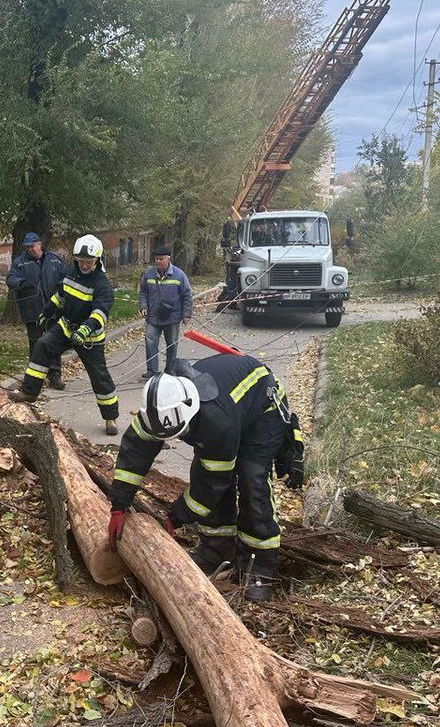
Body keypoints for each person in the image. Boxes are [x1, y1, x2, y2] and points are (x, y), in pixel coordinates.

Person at [105, 354, 305, 603]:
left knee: (251, 480)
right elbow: (133, 456)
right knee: (208, 469)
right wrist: (119, 506)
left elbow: (210, 487)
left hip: (262, 410)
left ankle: (260, 566)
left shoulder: (215, 421)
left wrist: (173, 519)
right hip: (229, 409)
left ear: (190, 411)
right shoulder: (159, 407)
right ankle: (217, 550)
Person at [11, 234, 120, 435]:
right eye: (81, 261)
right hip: (67, 326)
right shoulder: (72, 272)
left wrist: (86, 328)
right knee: (42, 345)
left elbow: (100, 312)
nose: (85, 265)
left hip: (89, 337)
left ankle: (110, 417)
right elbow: (61, 295)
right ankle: (29, 391)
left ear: (97, 260)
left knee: (99, 376)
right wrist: (47, 310)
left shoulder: (101, 284)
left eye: (89, 261)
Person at [6, 232, 68, 390]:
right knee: (35, 346)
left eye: (32, 246)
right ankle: (35, 381)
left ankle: (55, 376)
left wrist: (62, 287)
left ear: (39, 244)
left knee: (54, 344)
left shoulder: (54, 259)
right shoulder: (20, 263)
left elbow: (66, 278)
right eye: (27, 247)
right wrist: (20, 282)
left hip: (53, 311)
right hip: (32, 312)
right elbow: (10, 279)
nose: (30, 250)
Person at [139, 246, 193, 380]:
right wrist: (143, 306)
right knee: (150, 342)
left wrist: (186, 314)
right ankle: (152, 372)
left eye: (161, 259)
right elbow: (143, 292)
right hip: (153, 317)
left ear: (168, 259)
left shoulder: (179, 275)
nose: (158, 262)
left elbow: (187, 295)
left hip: (172, 317)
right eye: (156, 259)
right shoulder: (149, 274)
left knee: (172, 344)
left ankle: (169, 371)